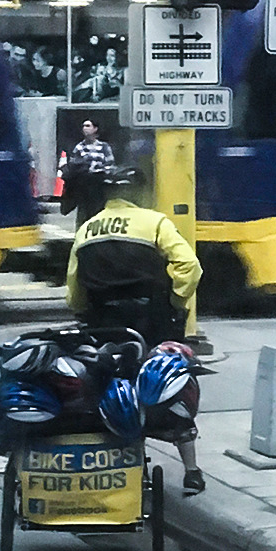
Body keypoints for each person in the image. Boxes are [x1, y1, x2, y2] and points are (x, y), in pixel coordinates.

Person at [65, 167, 206, 495]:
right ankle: (192, 471)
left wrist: (90, 311)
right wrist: (173, 300)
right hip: (151, 324)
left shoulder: (87, 229)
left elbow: (73, 293)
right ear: (140, 195)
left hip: (104, 329)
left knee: (105, 389)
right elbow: (190, 267)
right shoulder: (154, 222)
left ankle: (123, 464)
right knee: (171, 386)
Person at [65, 119, 115, 228]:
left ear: (95, 129)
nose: (85, 128)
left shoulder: (104, 147)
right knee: (83, 211)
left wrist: (100, 170)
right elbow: (73, 164)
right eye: (83, 126)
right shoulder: (79, 147)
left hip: (99, 184)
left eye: (88, 126)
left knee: (99, 210)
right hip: (84, 184)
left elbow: (110, 164)